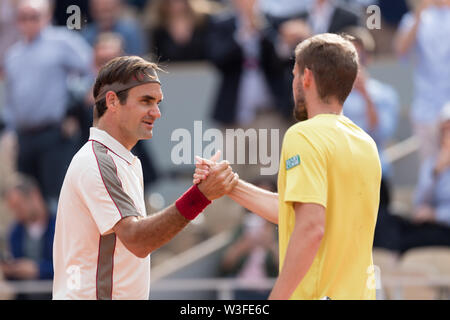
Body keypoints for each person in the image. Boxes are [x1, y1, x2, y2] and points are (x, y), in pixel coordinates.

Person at [195, 33, 381, 300]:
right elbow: (296, 213)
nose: (292, 82)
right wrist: (230, 185)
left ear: (306, 77)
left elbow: (311, 228)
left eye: (293, 74)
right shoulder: (365, 143)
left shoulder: (302, 135)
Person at [52, 55, 239, 300]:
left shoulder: (121, 160)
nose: (157, 112)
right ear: (112, 102)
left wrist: (199, 191)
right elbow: (138, 240)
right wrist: (200, 196)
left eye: (158, 102)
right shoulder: (99, 162)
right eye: (146, 101)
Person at [2, 0, 92, 209]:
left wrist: (75, 112)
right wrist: (11, 130)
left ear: (46, 17)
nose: (28, 22)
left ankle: (57, 241)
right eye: (23, 17)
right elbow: (12, 99)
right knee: (27, 199)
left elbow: (90, 70)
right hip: (24, 137)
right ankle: (34, 241)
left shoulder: (62, 42)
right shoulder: (13, 55)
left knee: (56, 198)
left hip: (55, 133)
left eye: (34, 16)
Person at [394, 0, 450, 159]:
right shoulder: (414, 18)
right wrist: (419, 15)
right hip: (425, 107)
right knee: (429, 169)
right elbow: (401, 51)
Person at [219, 179, 278, 300]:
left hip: (270, 290)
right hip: (242, 290)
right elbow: (225, 264)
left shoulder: (281, 230)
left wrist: (271, 245)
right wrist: (245, 244)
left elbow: (288, 268)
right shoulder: (243, 228)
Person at [1, 175, 55, 299]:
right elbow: (14, 282)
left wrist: (38, 269)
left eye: (19, 206)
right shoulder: (15, 232)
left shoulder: (59, 225)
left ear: (34, 195)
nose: (17, 213)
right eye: (13, 209)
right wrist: (10, 270)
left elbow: (70, 268)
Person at [146, 0, 215, 62]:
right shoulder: (158, 28)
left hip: (204, 74)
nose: (174, 3)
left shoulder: (204, 22)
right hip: (170, 75)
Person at [82, 0, 147, 56]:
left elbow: (137, 61)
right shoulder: (87, 34)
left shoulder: (131, 31)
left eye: (108, 10)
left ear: (118, 8)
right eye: (100, 11)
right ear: (92, 11)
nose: (105, 15)